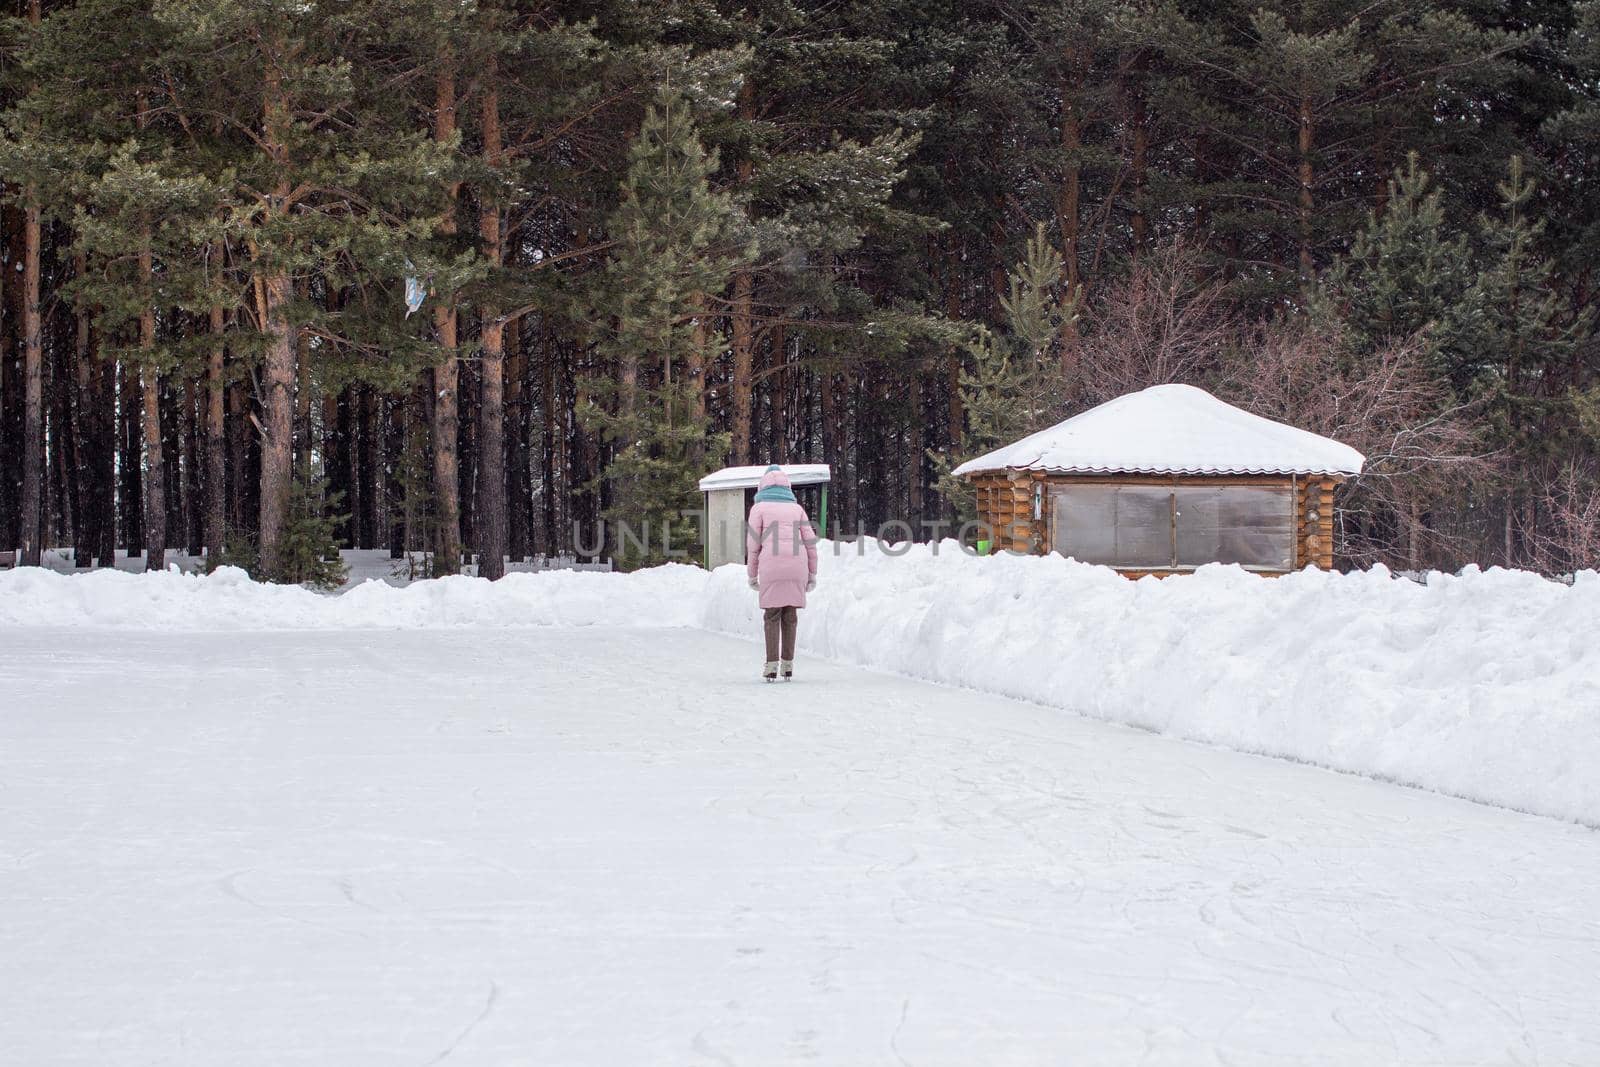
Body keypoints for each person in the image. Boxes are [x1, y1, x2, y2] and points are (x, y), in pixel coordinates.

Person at [746, 465, 818, 682]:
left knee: (772, 615)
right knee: (790, 615)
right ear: (787, 486)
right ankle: (788, 665)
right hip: (797, 566)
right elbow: (810, 543)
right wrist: (812, 573)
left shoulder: (759, 509)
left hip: (771, 566)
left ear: (763, 485)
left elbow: (753, 545)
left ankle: (771, 665)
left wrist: (752, 574)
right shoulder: (797, 510)